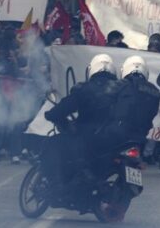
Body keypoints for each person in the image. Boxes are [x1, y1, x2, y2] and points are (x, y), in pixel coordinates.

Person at [43, 54, 121, 186]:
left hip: (88, 135)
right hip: (115, 137)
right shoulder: (122, 90)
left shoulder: (85, 89)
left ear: (92, 69)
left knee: (54, 143)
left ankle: (60, 181)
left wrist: (52, 114)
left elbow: (65, 107)